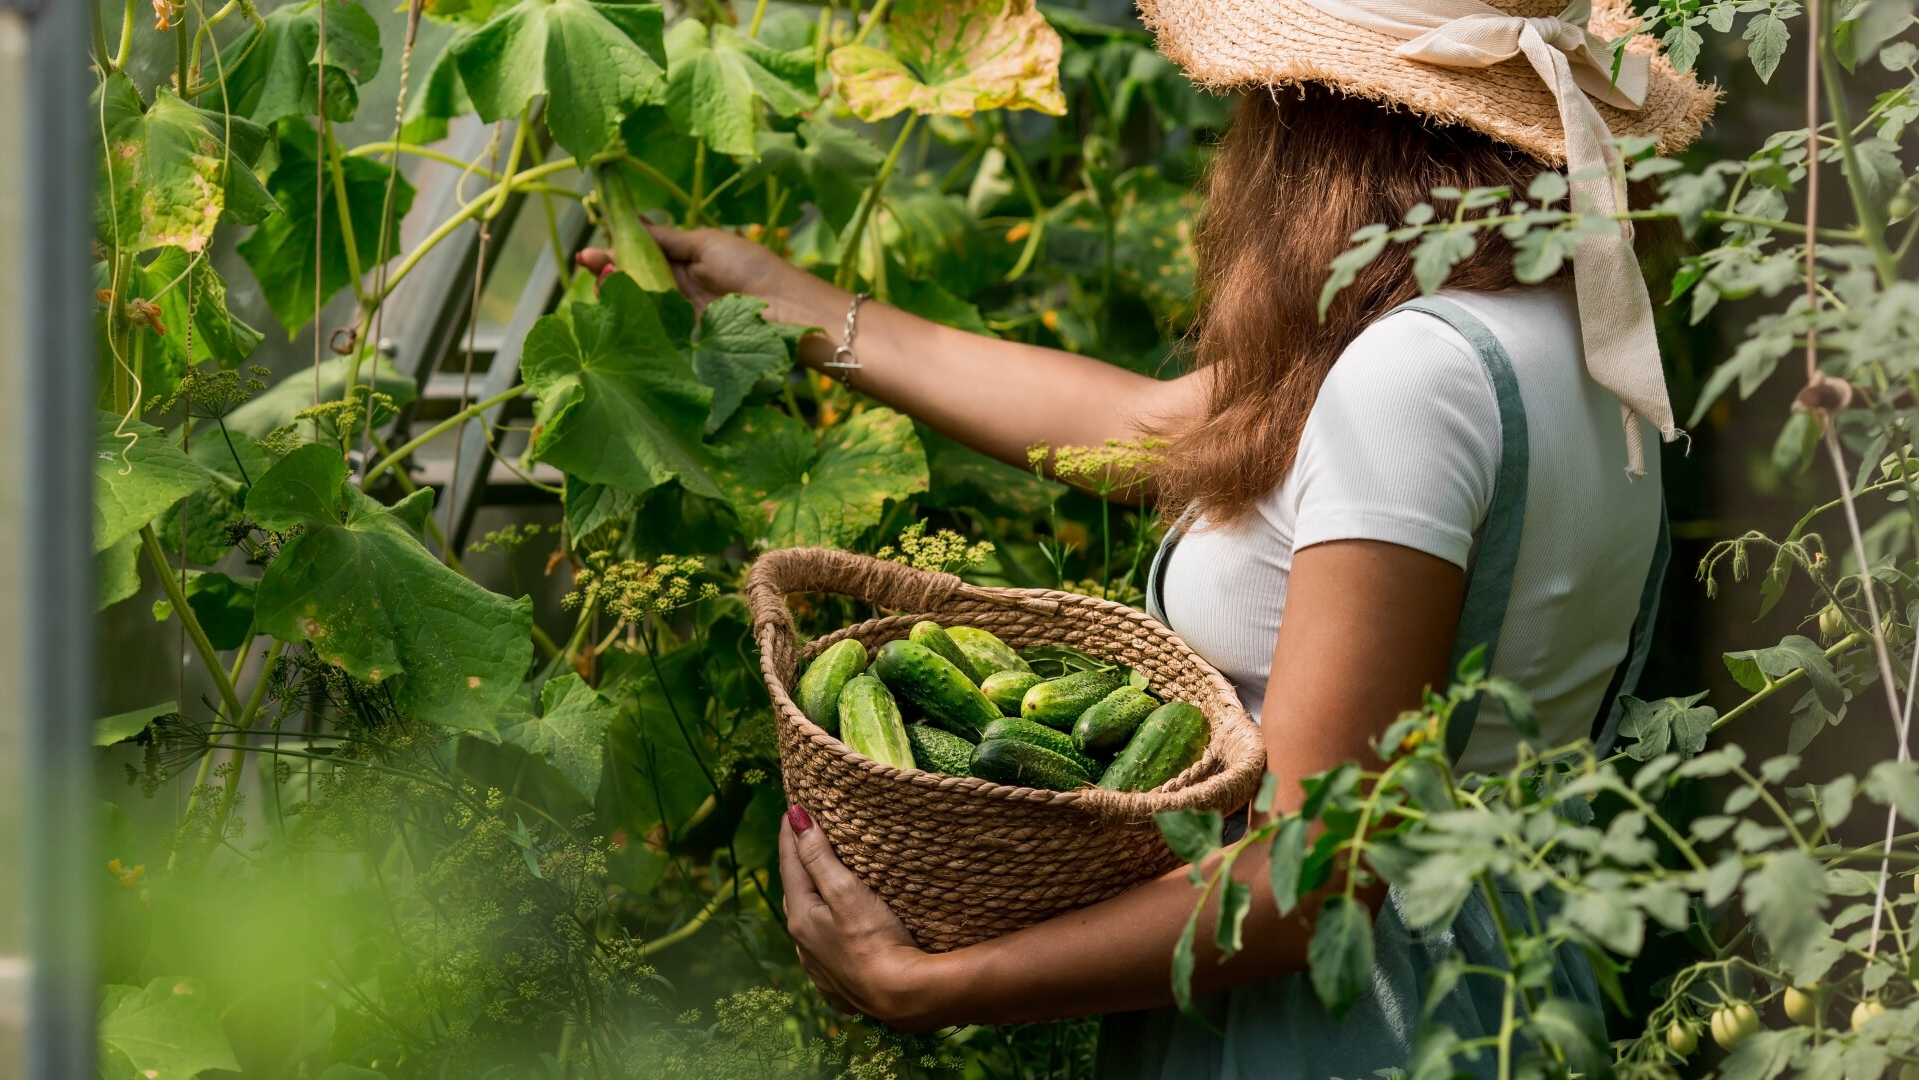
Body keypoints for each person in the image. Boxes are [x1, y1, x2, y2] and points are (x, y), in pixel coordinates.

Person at [649, 0, 1716, 1071]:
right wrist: (780, 298)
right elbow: (1142, 430)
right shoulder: (1568, 336)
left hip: (1333, 1022)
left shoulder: (1412, 380)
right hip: (1503, 981)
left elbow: (1310, 875)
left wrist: (934, 985)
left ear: (1315, 123)